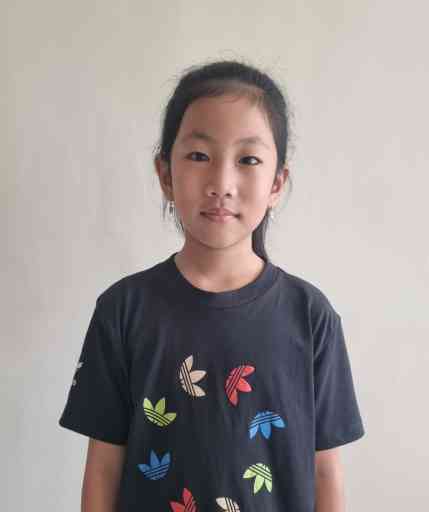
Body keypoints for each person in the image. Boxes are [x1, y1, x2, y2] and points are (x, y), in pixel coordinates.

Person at [59, 58, 365, 512]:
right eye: (199, 156)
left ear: (277, 182)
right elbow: (104, 468)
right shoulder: (123, 310)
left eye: (248, 160)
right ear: (165, 174)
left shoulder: (310, 316)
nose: (221, 183)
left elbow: (325, 472)